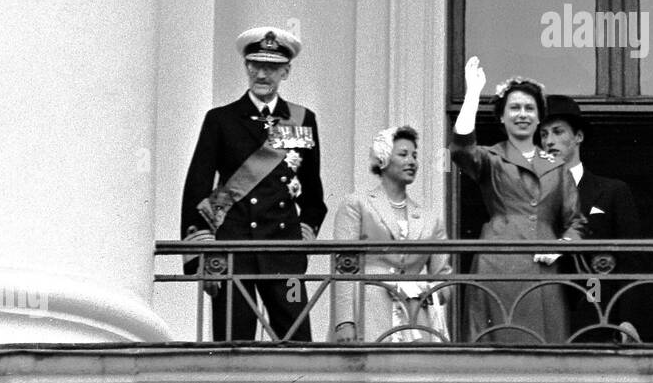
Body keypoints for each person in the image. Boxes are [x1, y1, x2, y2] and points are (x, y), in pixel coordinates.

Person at [181, 26, 326, 341]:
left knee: (298, 345)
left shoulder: (303, 119)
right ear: (246, 67)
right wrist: (204, 253)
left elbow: (314, 194)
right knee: (233, 345)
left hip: (284, 252)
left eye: (272, 67)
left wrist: (304, 232)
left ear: (285, 71)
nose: (263, 74)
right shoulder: (221, 120)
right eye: (256, 65)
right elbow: (197, 187)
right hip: (234, 249)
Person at [450, 57, 585, 343]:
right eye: (514, 108)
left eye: (529, 108)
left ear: (538, 117)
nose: (522, 114)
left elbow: (576, 221)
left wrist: (562, 246)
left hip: (543, 269)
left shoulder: (557, 167)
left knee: (545, 351)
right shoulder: (491, 158)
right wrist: (473, 92)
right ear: (501, 117)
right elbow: (461, 148)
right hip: (498, 263)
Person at [538, 95, 653, 343]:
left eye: (558, 132)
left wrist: (628, 320)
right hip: (544, 312)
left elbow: (632, 260)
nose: (549, 141)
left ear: (578, 137)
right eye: (543, 134)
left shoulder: (612, 191)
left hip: (599, 312)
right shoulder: (531, 194)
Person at [331, 126, 451, 343]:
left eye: (415, 155)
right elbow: (343, 268)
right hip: (369, 312)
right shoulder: (357, 205)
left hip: (416, 318)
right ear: (383, 159)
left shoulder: (431, 218)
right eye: (403, 154)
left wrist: (427, 290)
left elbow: (443, 279)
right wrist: (345, 322)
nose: (412, 161)